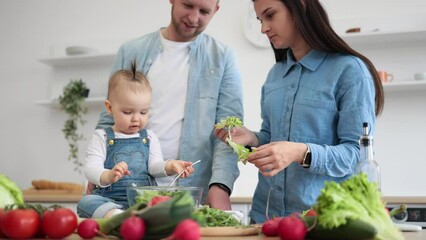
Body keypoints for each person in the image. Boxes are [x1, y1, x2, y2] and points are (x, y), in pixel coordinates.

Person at [215, 0, 384, 223]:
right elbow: (274, 139)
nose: (263, 28)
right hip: (265, 219)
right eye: (260, 19)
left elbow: (358, 155)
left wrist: (300, 152)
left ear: (300, 7)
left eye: (270, 15)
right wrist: (253, 139)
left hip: (321, 222)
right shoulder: (275, 75)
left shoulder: (350, 71)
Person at [95, 0, 244, 210]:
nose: (193, 18)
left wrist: (221, 186)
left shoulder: (223, 58)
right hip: (129, 187)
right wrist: (95, 172)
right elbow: (108, 119)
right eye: (188, 5)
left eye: (204, 11)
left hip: (192, 191)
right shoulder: (131, 51)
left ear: (216, 10)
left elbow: (230, 132)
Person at [77, 63, 195, 218]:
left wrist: (171, 165)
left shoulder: (149, 137)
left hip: (143, 200)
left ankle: (132, 216)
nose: (136, 118)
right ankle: (117, 215)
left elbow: (154, 166)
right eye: (128, 112)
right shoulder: (102, 136)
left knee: (173, 202)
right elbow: (90, 168)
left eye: (143, 112)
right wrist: (108, 176)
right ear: (109, 108)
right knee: (86, 202)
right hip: (109, 199)